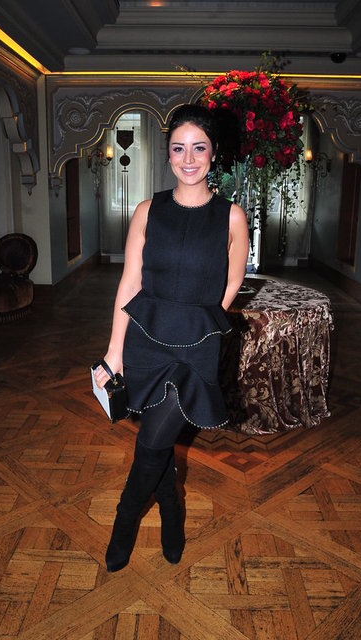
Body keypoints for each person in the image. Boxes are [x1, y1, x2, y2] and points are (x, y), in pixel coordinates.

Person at [94, 103, 249, 572]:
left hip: (195, 349)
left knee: (151, 442)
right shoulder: (148, 211)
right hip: (146, 340)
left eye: (199, 148)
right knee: (157, 439)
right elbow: (129, 283)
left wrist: (203, 322)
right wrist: (114, 352)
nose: (189, 158)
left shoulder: (231, 217)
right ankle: (171, 512)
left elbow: (232, 284)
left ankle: (124, 522)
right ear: (167, 154)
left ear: (214, 153)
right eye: (179, 148)